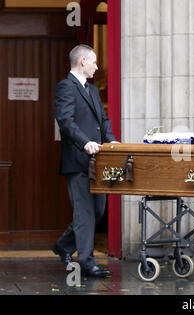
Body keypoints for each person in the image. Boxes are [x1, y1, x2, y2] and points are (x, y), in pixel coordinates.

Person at [53, 44, 118, 277]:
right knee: (85, 213)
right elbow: (66, 122)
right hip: (78, 161)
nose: (97, 67)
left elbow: (104, 120)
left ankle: (63, 245)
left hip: (96, 161)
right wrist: (84, 142)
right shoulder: (65, 88)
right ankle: (87, 262)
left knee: (98, 211)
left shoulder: (91, 90)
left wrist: (112, 143)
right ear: (82, 62)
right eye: (94, 62)